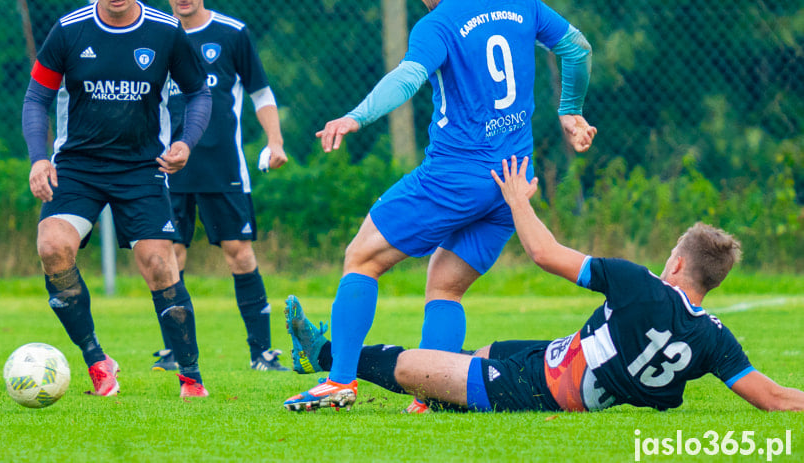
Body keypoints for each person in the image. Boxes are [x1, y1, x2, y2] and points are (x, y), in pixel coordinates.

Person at [284, 0, 597, 411]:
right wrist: (570, 109)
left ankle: (340, 380)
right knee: (445, 285)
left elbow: (408, 79)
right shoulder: (521, 2)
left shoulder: (438, 23)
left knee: (361, 257)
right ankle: (434, 392)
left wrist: (355, 116)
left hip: (455, 177)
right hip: (512, 182)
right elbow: (578, 48)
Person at [283, 156, 804, 413]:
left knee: (408, 364)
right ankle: (425, 386)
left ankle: (326, 357)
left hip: (536, 390)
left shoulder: (639, 284)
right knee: (470, 355)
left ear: (676, 264)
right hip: (551, 356)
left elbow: (545, 254)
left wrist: (517, 200)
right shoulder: (713, 337)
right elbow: (774, 398)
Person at [22, 0, 213, 399]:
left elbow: (200, 93)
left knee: (158, 265)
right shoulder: (69, 32)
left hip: (141, 168)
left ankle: (190, 375)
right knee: (52, 246)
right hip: (79, 167)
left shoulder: (165, 32)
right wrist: (38, 156)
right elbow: (36, 98)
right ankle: (96, 359)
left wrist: (186, 142)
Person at [151, 0, 289, 372]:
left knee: (238, 251)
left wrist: (275, 141)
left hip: (222, 165)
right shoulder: (152, 35)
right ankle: (177, 351)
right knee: (168, 255)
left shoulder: (231, 34)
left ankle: (261, 354)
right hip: (166, 166)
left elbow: (260, 93)